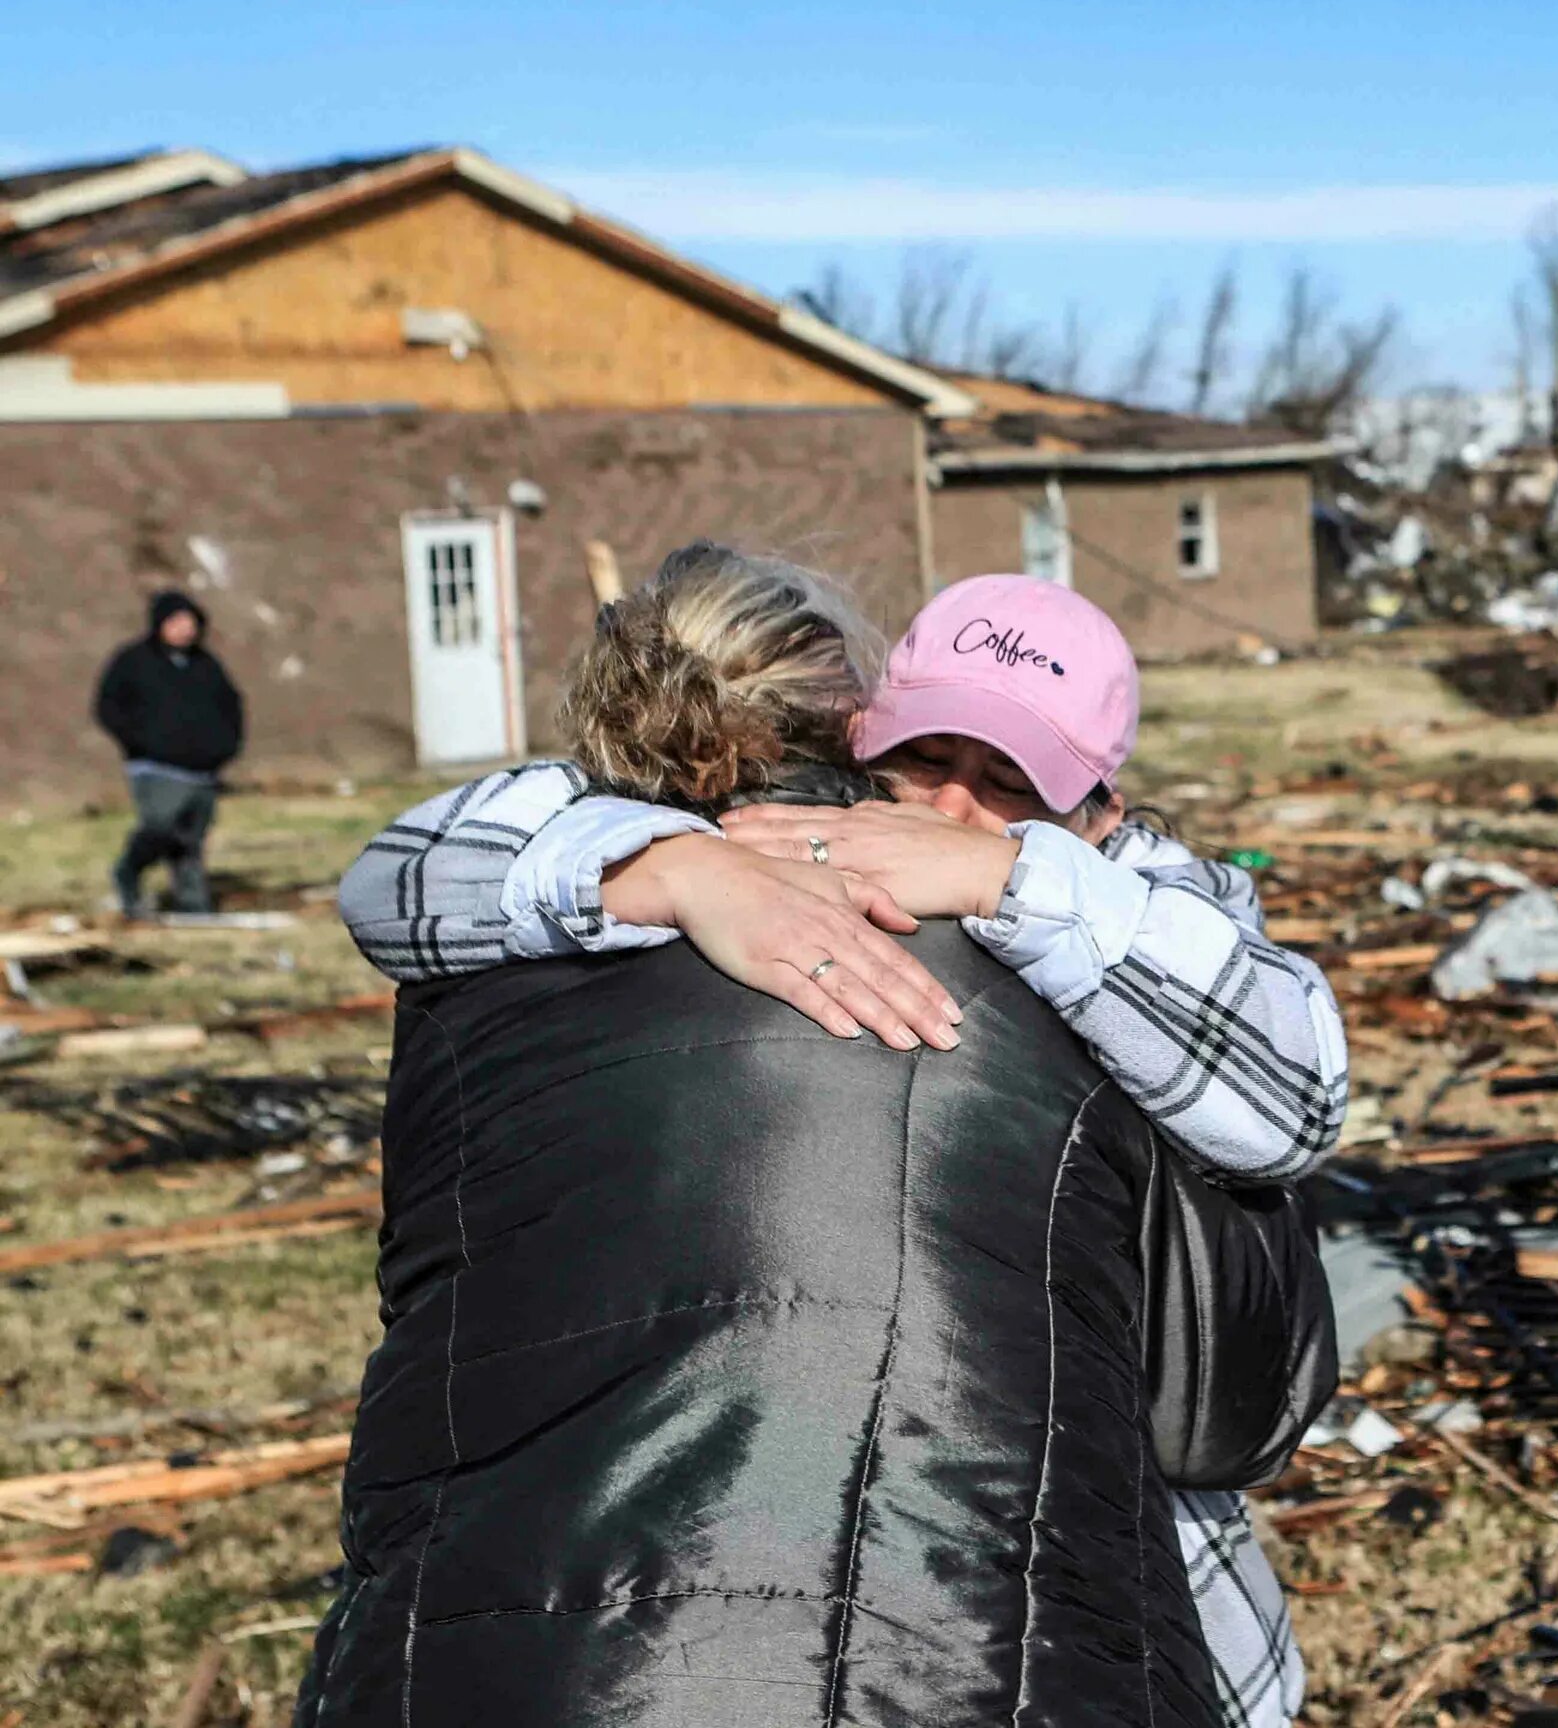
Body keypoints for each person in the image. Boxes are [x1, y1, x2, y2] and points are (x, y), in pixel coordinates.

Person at [301, 544, 1332, 1726]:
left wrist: (1013, 883)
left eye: (1012, 784)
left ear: (1096, 802)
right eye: (926, 757)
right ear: (860, 739)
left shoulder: (1134, 913)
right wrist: (676, 868)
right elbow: (390, 875)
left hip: (1111, 1566)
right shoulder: (720, 864)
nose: (952, 805)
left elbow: (1296, 1094)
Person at [94, 589, 243, 917]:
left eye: (190, 623)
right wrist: (141, 741)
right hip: (156, 767)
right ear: (160, 624)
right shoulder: (134, 660)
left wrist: (226, 746)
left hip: (202, 770)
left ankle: (193, 906)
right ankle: (129, 871)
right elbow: (108, 706)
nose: (185, 629)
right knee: (160, 827)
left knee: (191, 843)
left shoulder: (206, 665)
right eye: (177, 622)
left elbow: (231, 707)